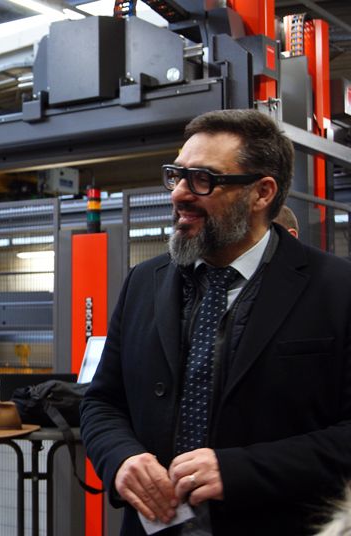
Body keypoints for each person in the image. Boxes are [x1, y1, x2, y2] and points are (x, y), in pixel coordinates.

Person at [80, 109, 351, 535]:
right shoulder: (144, 282)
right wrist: (120, 458)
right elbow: (102, 401)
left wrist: (240, 470)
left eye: (203, 179)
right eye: (176, 175)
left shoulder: (336, 289)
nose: (179, 194)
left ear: (262, 193)